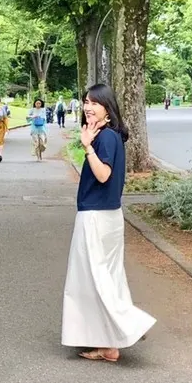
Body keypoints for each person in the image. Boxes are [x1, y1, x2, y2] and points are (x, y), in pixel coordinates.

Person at [61, 83, 156, 363]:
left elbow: (103, 175)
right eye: (85, 101)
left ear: (107, 108)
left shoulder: (105, 139)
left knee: (95, 278)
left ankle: (130, 325)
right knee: (107, 278)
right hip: (108, 215)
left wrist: (87, 147)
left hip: (96, 217)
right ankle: (109, 344)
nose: (88, 106)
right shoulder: (110, 135)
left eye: (94, 102)